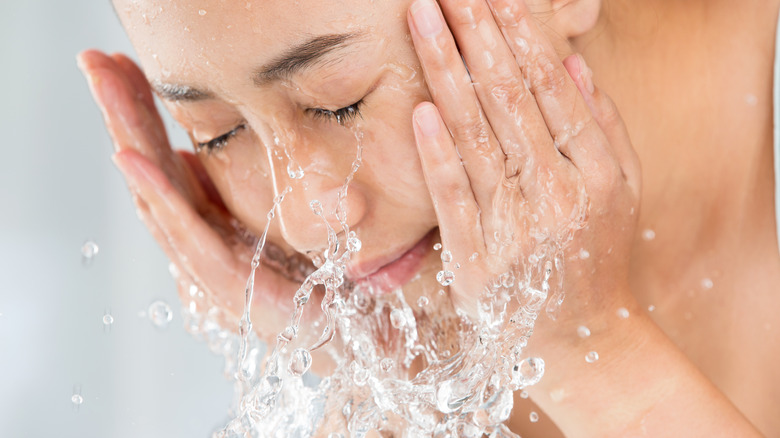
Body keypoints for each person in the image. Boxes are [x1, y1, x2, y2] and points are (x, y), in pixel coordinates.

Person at [78, 0, 779, 436]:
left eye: (337, 103)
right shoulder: (421, 356)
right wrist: (399, 380)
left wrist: (595, 352)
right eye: (216, 133)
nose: (302, 224)